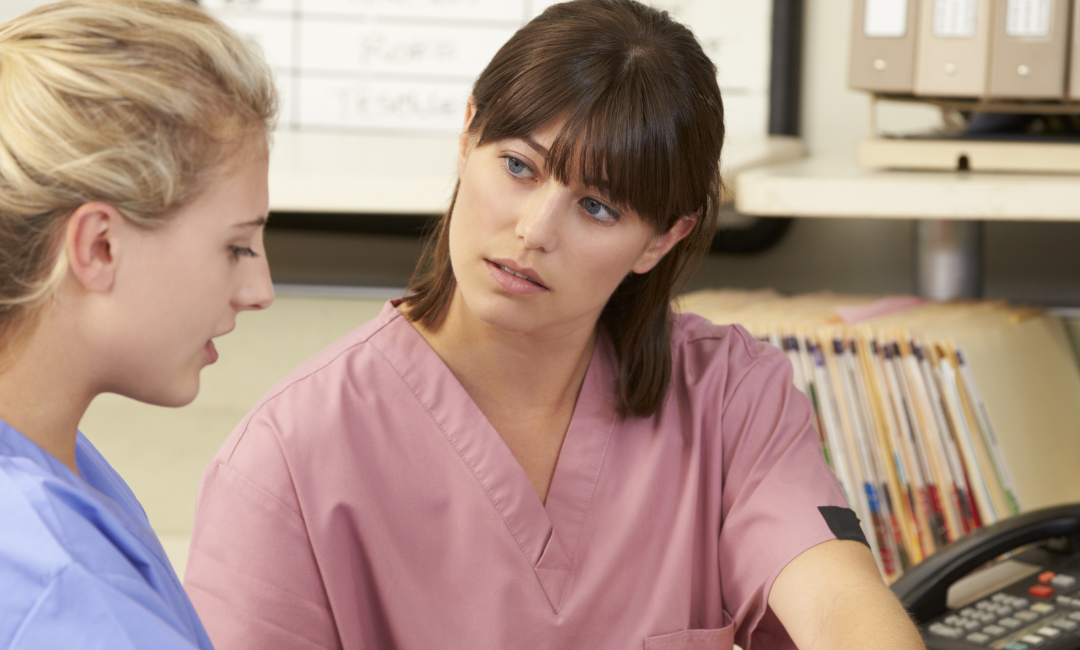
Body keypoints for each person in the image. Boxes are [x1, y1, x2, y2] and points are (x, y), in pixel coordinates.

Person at [184, 1, 924, 648]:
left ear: (662, 239)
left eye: (597, 207)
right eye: (518, 167)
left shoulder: (730, 398)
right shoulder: (287, 459)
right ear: (469, 132)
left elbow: (837, 602)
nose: (535, 231)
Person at [0, 0, 277, 647]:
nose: (259, 291)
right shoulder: (66, 588)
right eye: (236, 247)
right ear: (99, 246)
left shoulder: (54, 467)